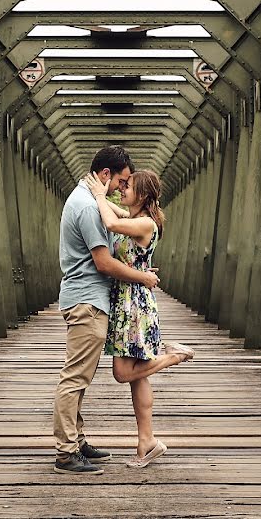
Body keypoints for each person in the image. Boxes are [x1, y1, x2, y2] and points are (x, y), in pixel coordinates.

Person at [53, 146, 161, 476]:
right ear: (105, 175)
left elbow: (120, 223)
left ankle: (77, 440)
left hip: (92, 299)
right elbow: (102, 262)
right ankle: (66, 452)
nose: (120, 188)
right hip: (86, 300)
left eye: (128, 185)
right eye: (121, 181)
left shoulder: (90, 202)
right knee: (75, 377)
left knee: (80, 377)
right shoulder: (87, 207)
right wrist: (144, 276)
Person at [83, 168, 194, 469]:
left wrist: (98, 194)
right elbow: (116, 212)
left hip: (134, 303)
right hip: (129, 297)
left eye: (128, 186)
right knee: (138, 375)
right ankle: (147, 441)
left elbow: (109, 220)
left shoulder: (144, 223)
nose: (122, 189)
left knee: (122, 373)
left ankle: (173, 357)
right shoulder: (137, 218)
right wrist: (101, 194)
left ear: (142, 195)